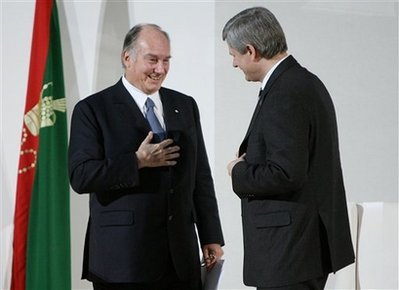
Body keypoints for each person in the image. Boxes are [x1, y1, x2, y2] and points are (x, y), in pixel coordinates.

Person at [68, 23, 224, 290]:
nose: (160, 69)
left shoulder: (184, 105)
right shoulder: (92, 109)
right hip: (123, 261)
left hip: (179, 259)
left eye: (166, 60)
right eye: (152, 60)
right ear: (127, 58)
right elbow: (81, 176)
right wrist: (137, 161)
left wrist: (211, 235)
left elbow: (199, 175)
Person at [223, 7, 355, 290]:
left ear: (251, 50)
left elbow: (286, 173)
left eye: (234, 55)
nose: (234, 64)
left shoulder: (286, 92)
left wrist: (238, 171)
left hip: (289, 253)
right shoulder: (302, 83)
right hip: (298, 251)